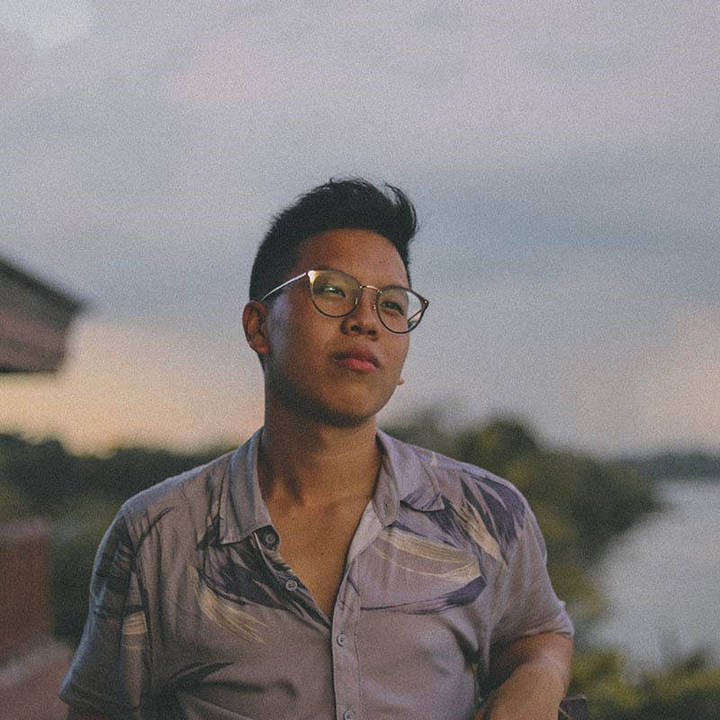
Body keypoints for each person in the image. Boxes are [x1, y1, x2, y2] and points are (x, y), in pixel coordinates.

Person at [60, 179, 573, 720]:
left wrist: (538, 676)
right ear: (258, 327)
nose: (366, 320)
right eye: (332, 290)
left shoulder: (484, 515)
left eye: (392, 304)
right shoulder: (158, 537)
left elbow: (537, 632)